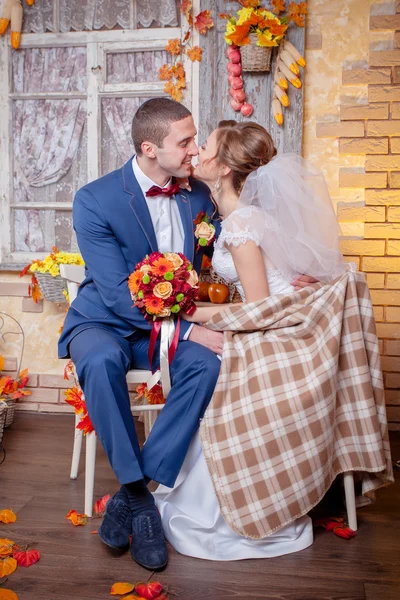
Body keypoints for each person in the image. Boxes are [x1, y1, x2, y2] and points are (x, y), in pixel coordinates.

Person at [58, 100, 315, 571]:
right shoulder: (95, 199)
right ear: (150, 148)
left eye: (198, 139)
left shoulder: (199, 194)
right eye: (185, 141)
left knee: (209, 362)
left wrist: (290, 272)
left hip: (173, 323)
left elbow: (244, 242)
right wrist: (185, 329)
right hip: (106, 321)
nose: (195, 149)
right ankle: (140, 500)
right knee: (99, 361)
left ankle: (132, 495)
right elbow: (117, 295)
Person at [154, 120, 347, 560]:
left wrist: (190, 312)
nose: (197, 150)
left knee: (214, 369)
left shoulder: (241, 223)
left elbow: (260, 308)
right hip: (282, 322)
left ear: (224, 169)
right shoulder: (241, 215)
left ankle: (229, 504)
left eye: (206, 147)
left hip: (279, 336)